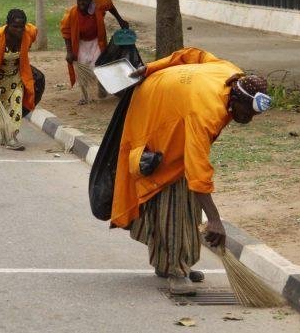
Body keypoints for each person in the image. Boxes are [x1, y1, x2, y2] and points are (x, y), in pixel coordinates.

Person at [110, 47, 271, 295]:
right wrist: (215, 219)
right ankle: (175, 271)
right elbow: (196, 168)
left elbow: (192, 54)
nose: (248, 119)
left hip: (172, 101)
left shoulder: (231, 73)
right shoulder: (205, 112)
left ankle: (172, 262)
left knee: (187, 199)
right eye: (246, 112)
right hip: (152, 111)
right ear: (235, 100)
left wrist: (152, 67)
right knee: (172, 197)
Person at [60, 0, 129, 104]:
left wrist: (120, 20)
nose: (81, 3)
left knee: (99, 65)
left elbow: (110, 5)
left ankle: (101, 85)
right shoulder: (71, 13)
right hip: (81, 43)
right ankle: (84, 96)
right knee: (82, 69)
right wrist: (69, 52)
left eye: (84, 0)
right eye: (79, 0)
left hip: (96, 41)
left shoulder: (99, 3)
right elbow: (66, 33)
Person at [0, 9, 38, 151]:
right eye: (15, 26)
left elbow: (32, 36)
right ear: (7, 25)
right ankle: (4, 135)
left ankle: (12, 137)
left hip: (17, 77)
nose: (19, 30)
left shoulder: (29, 33)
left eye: (21, 26)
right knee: (4, 107)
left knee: (16, 104)